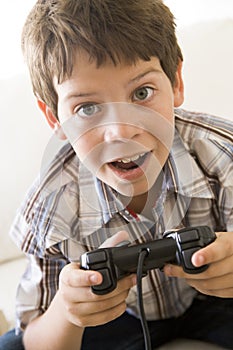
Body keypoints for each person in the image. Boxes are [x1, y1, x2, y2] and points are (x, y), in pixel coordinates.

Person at [1, 1, 233, 349]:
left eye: (142, 93)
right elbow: (36, 338)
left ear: (176, 82)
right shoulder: (49, 205)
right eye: (87, 108)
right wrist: (68, 308)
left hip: (212, 301)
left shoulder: (220, 152)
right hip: (116, 318)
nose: (121, 131)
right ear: (55, 119)